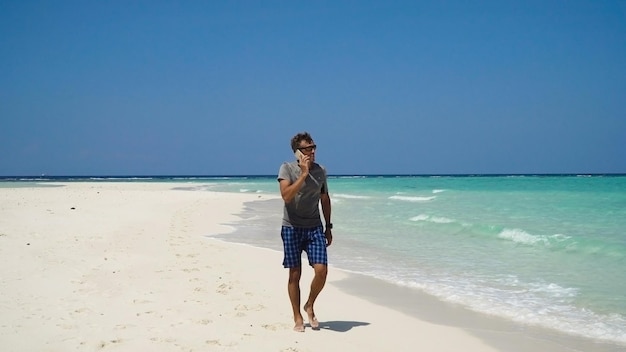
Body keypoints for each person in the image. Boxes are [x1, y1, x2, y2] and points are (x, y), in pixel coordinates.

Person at [277, 132, 333, 332]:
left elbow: (324, 199)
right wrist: (303, 174)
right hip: (291, 227)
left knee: (321, 270)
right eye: (307, 149)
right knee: (295, 274)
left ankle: (309, 304)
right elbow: (286, 196)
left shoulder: (321, 171)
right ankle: (297, 316)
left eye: (313, 147)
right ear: (297, 152)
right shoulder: (287, 168)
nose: (312, 152)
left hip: (314, 227)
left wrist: (329, 227)